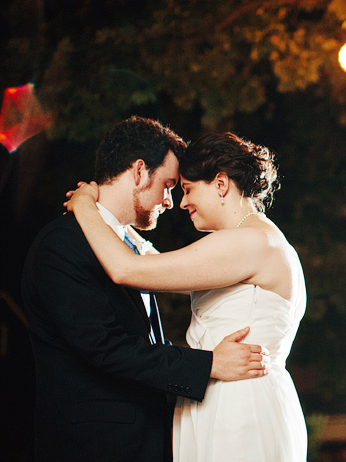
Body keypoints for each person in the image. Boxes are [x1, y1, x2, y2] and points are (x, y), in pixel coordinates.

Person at [22, 117, 270, 462]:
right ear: (139, 172)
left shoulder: (127, 248)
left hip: (146, 440)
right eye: (169, 185)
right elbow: (104, 347)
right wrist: (207, 364)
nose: (171, 202)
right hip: (95, 446)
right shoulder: (62, 244)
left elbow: (145, 335)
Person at [66, 131, 308, 461]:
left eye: (188, 189)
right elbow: (152, 263)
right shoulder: (258, 239)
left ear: (221, 184)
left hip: (237, 410)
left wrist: (84, 205)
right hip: (232, 398)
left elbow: (127, 270)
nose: (181, 203)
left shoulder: (248, 242)